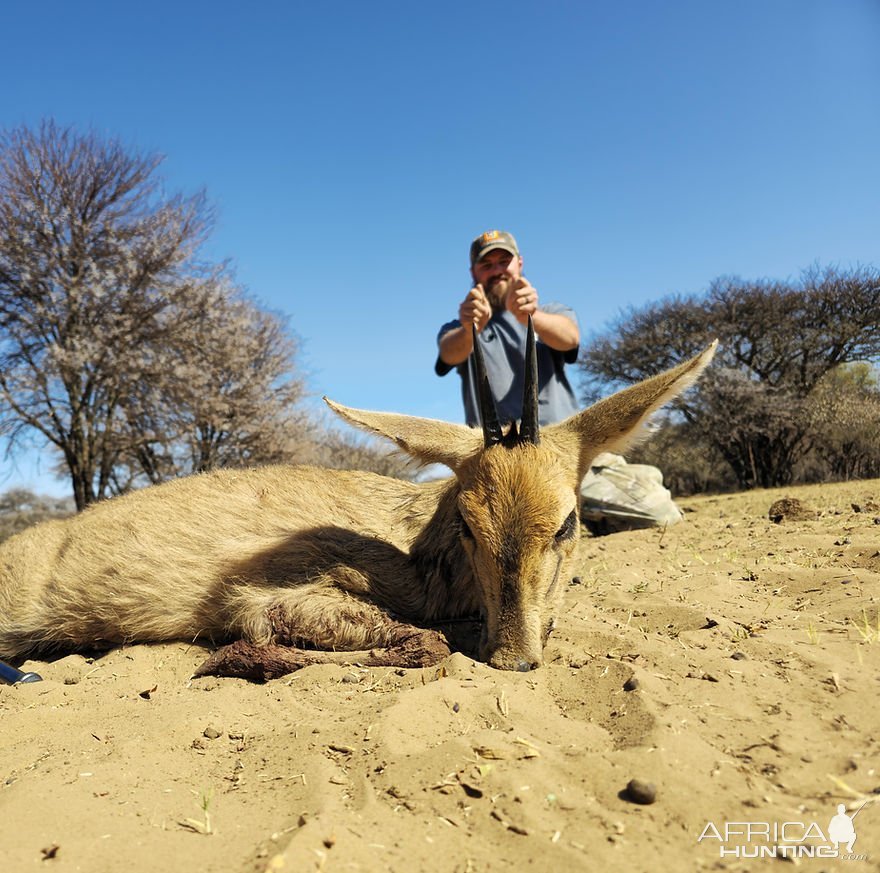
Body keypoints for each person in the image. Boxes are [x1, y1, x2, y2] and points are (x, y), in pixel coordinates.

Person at [435, 229, 683, 535]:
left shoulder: (551, 312)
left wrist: (532, 317)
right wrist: (468, 326)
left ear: (519, 264)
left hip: (565, 451)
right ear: (474, 272)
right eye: (487, 265)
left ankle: (603, 493)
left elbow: (569, 339)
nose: (497, 270)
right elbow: (449, 352)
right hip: (502, 458)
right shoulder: (458, 325)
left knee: (658, 509)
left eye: (504, 261)